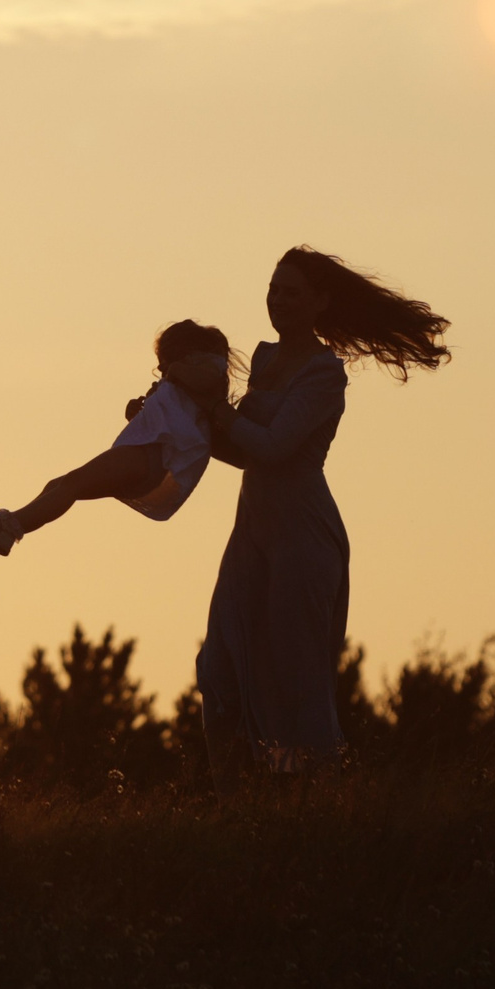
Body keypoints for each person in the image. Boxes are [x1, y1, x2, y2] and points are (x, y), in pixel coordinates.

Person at [193, 247, 447, 779]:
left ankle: (316, 801)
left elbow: (274, 447)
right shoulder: (263, 360)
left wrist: (216, 411)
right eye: (273, 289)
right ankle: (234, 803)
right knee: (218, 668)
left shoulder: (325, 373)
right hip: (252, 532)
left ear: (320, 303)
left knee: (295, 680)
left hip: (302, 535)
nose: (278, 300)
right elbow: (244, 450)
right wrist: (182, 420)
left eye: (291, 292)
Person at [0, 321, 236, 561]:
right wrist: (141, 412)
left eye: (163, 363)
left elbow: (204, 377)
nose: (161, 371)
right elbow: (174, 414)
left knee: (71, 485)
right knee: (60, 484)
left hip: (149, 457)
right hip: (145, 456)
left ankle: (4, 528)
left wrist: (171, 376)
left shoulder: (205, 371)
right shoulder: (182, 385)